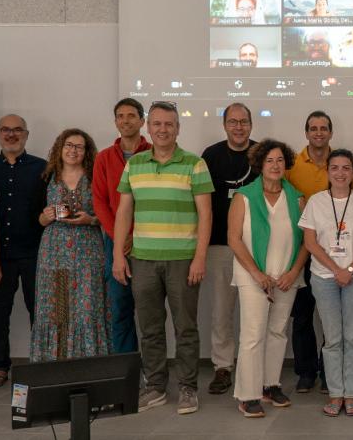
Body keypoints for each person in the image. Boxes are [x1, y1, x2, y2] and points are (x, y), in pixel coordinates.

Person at [111, 101, 213, 416]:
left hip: (183, 260)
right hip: (142, 259)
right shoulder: (135, 164)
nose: (163, 129)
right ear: (148, 127)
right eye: (157, 124)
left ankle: (187, 389)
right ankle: (155, 387)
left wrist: (199, 258)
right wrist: (118, 255)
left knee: (185, 327)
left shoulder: (194, 164)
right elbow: (124, 212)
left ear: (178, 128)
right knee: (151, 328)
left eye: (169, 124)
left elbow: (206, 215)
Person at [229, 139, 309, 418]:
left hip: (286, 276)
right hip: (253, 276)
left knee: (277, 332)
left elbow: (306, 242)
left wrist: (293, 272)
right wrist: (257, 274)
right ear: (260, 165)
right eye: (269, 161)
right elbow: (234, 239)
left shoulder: (297, 198)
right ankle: (247, 395)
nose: (275, 166)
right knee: (252, 335)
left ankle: (270, 385)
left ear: (286, 165)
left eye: (279, 161)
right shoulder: (244, 196)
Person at [301, 149, 353, 417]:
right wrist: (337, 269)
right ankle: (336, 394)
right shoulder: (316, 202)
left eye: (345, 168)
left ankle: (352, 394)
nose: (340, 173)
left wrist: (348, 269)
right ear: (328, 172)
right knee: (333, 338)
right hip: (324, 277)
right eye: (334, 167)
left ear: (352, 172)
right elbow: (310, 243)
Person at [0, 114, 47, 390]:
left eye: (17, 130)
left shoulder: (43, 168)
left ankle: (39, 363)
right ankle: (0, 366)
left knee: (39, 311)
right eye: (6, 130)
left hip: (34, 253)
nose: (11, 134)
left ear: (26, 135)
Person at [29, 129, 109, 362]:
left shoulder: (96, 176)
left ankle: (88, 365)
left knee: (88, 308)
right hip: (54, 252)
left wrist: (91, 219)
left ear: (87, 152)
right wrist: (46, 217)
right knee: (58, 308)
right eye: (69, 145)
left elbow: (107, 214)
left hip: (88, 251)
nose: (73, 150)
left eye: (79, 146)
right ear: (60, 148)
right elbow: (37, 219)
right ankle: (57, 365)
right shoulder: (46, 177)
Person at [201, 103, 259, 396]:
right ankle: (223, 367)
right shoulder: (210, 156)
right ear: (225, 125)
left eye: (244, 122)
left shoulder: (262, 155)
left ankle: (255, 366)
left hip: (256, 248)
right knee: (222, 311)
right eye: (233, 122)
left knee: (256, 311)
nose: (239, 127)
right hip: (221, 246)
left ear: (251, 124)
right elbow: (202, 203)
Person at [92, 98, 150, 355]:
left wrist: (134, 236)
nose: (125, 120)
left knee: (151, 312)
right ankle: (127, 369)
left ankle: (152, 371)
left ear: (142, 121)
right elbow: (100, 201)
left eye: (131, 116)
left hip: (148, 242)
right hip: (114, 244)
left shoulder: (153, 154)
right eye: (120, 116)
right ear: (115, 121)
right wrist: (118, 237)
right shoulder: (104, 158)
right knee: (120, 309)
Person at [286, 111, 333, 392]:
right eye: (313, 128)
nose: (318, 133)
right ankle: (306, 372)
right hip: (301, 249)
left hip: (335, 252)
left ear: (331, 132)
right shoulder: (292, 164)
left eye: (323, 128)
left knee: (331, 316)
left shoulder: (339, 163)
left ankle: (329, 372)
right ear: (306, 133)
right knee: (302, 316)